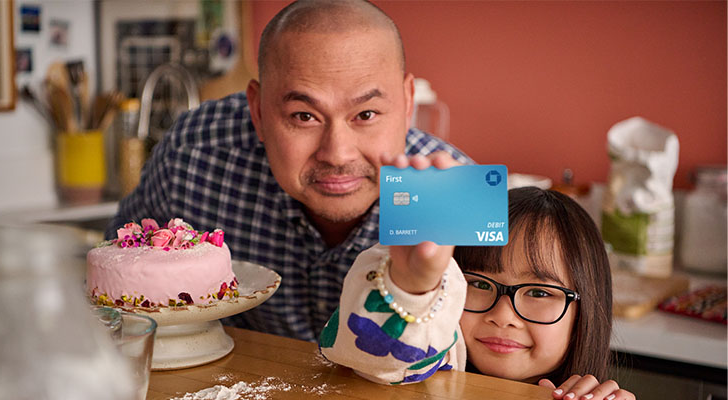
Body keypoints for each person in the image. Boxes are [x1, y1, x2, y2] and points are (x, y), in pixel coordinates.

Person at [105, 0, 471, 342]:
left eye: (366, 115)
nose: (337, 153)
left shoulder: (457, 201)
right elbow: (112, 285)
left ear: (408, 105)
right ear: (258, 112)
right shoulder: (194, 155)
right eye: (304, 116)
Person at [320, 182, 635, 400]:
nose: (503, 316)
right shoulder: (433, 359)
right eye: (480, 285)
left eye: (539, 293)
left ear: (585, 311)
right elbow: (375, 355)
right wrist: (409, 287)